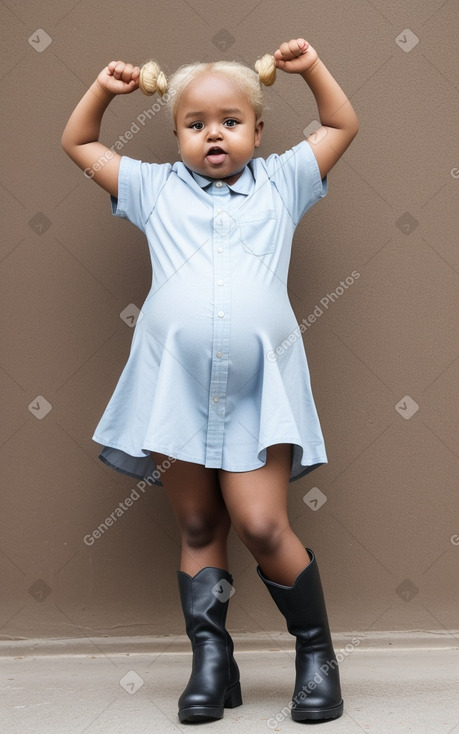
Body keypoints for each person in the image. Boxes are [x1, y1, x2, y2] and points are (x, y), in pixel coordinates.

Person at [62, 37, 358, 724]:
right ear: (175, 135)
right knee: (198, 522)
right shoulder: (153, 188)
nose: (213, 134)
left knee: (259, 523)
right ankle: (211, 661)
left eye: (230, 121)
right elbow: (78, 143)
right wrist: (104, 91)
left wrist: (311, 67)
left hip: (259, 389)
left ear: (257, 131)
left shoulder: (284, 181)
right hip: (174, 387)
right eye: (195, 125)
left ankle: (316, 654)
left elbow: (341, 124)